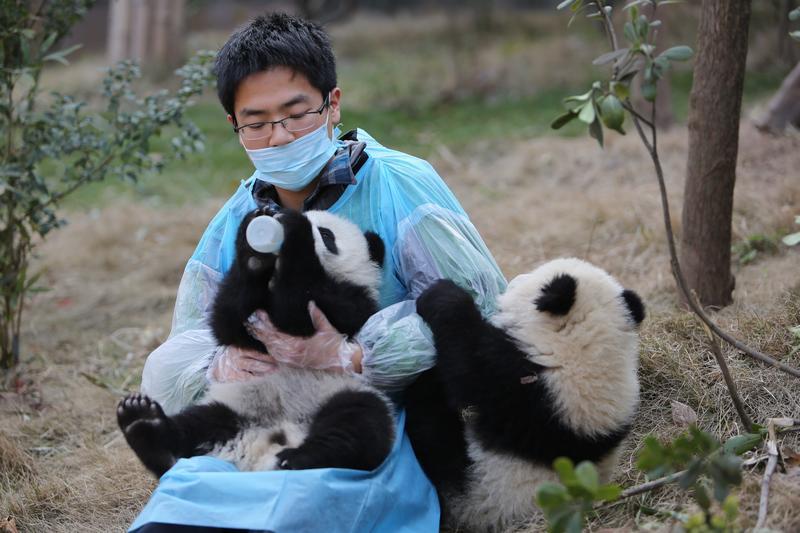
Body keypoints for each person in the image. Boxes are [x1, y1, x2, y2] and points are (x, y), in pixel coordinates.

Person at [133, 12, 507, 533]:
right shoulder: (232, 223)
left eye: (296, 113)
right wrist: (219, 367)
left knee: (303, 501)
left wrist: (353, 356)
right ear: (233, 127)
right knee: (185, 501)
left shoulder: (401, 185)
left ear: (332, 103)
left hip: (375, 415)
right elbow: (180, 352)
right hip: (258, 415)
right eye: (257, 123)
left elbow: (481, 307)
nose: (280, 136)